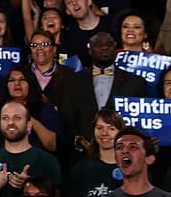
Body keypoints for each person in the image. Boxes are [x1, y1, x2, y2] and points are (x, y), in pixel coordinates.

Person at [56, 31, 145, 160]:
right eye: (98, 45)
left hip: (124, 155)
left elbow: (140, 120)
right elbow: (67, 117)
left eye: (109, 44)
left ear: (115, 48)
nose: (105, 47)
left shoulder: (136, 82)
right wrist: (79, 141)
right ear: (90, 50)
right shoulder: (73, 81)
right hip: (83, 155)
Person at [67, 108, 126, 197]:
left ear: (120, 132)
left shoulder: (131, 168)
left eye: (111, 128)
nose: (104, 133)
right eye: (99, 128)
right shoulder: (82, 169)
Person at [57, 0, 113, 67]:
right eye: (69, 2)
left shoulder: (112, 24)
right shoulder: (68, 38)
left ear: (89, 1)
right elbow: (68, 67)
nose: (74, 3)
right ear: (68, 11)